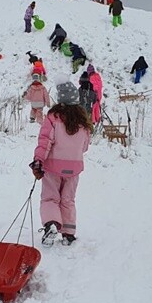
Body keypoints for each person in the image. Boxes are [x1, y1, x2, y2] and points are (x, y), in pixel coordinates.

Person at [30, 80, 92, 246]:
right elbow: (85, 147)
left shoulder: (53, 118)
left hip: (53, 167)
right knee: (68, 200)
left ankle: (51, 224)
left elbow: (45, 142)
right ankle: (69, 234)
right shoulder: (83, 122)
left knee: (50, 198)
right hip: (74, 169)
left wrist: (38, 161)